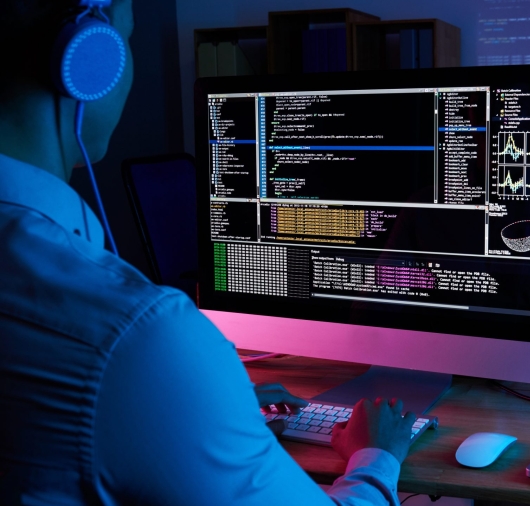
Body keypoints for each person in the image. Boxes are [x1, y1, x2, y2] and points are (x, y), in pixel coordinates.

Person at [0, 1, 415, 504]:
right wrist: (378, 456)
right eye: (128, 39)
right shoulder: (139, 338)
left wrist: (205, 407)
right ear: (90, 59)